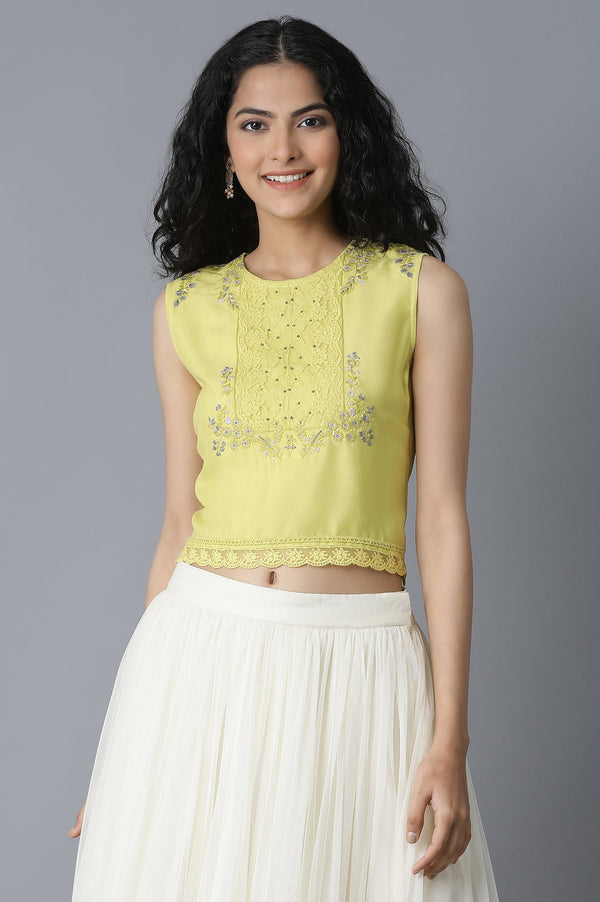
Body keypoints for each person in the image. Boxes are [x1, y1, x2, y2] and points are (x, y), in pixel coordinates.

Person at [68, 15, 500, 901]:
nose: (284, 149)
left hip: (359, 668)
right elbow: (178, 525)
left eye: (311, 119)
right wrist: (127, 747)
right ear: (225, 151)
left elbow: (442, 522)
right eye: (254, 124)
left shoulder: (421, 292)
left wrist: (449, 740)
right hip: (198, 661)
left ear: (348, 134)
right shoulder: (185, 309)